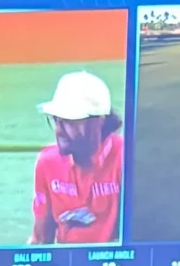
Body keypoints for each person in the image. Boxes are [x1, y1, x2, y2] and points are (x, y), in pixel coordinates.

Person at [30, 69, 124, 247]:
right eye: (56, 120)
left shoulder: (125, 159)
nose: (59, 130)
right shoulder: (47, 163)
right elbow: (40, 240)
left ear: (99, 121)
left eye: (70, 121)